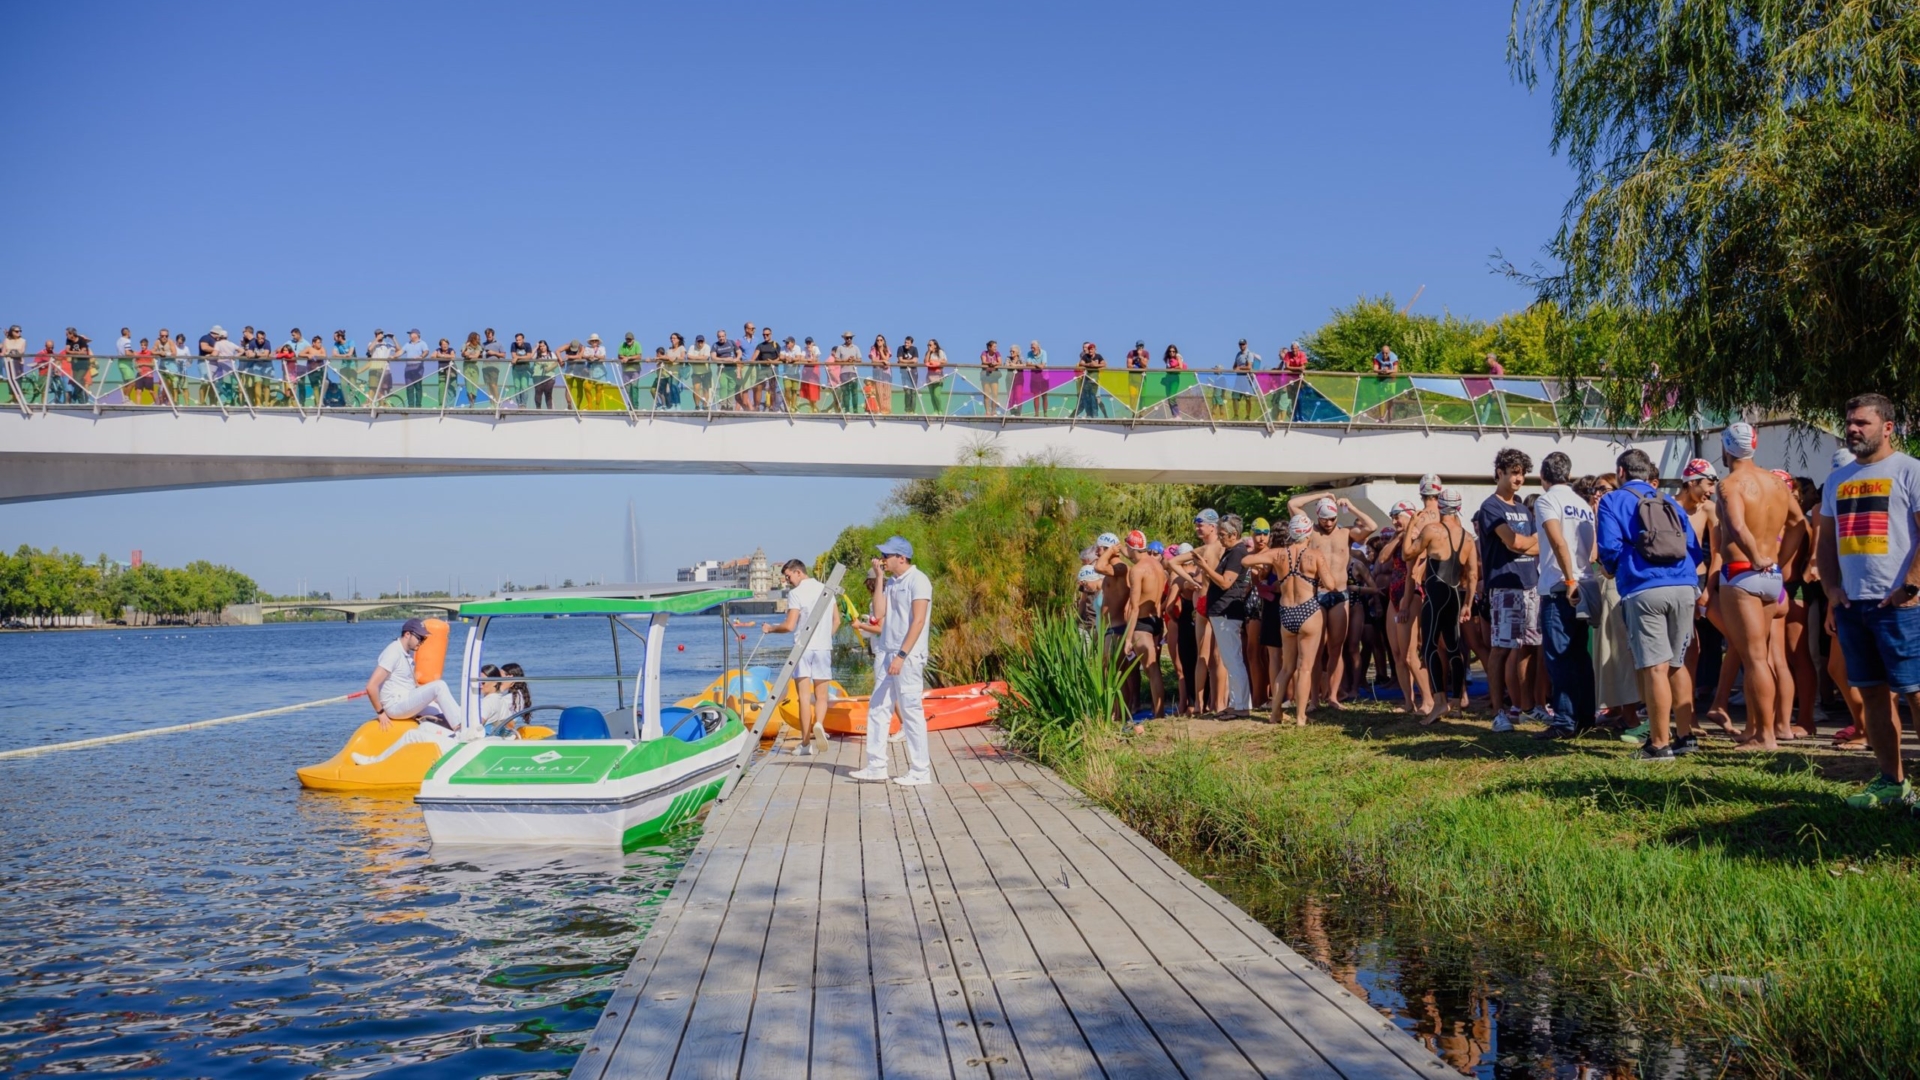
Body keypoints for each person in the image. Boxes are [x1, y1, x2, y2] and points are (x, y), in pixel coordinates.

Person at [1818, 394, 1920, 810]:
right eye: (1849, 422)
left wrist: (1910, 587)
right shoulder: (1837, 480)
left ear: (1888, 427)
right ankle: (1892, 782)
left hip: (1901, 606)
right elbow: (1826, 541)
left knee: (1916, 693)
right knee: (1873, 695)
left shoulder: (1909, 471)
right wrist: (1830, 588)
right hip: (1854, 606)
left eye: (1862, 422)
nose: (1853, 429)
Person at [1596, 449, 1705, 759]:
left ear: (1620, 473)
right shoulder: (1670, 501)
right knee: (1676, 663)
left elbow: (1608, 548)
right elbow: (1693, 550)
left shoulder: (1613, 501)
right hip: (1684, 586)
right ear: (1648, 474)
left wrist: (1614, 568)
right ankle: (1686, 736)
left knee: (1654, 667)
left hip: (1644, 588)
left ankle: (1659, 743)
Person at [1713, 423, 1804, 750]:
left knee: (1754, 659)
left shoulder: (1729, 484)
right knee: (1761, 657)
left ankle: (1766, 736)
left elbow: (1736, 525)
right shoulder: (1777, 484)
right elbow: (1798, 524)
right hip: (1771, 576)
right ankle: (1754, 729)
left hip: (1742, 573)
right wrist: (1779, 558)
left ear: (1726, 449)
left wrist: (1755, 556)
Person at [852, 537, 934, 786]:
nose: (883, 560)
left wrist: (901, 655)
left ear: (901, 557)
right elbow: (878, 614)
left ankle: (921, 770)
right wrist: (879, 579)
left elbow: (918, 621)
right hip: (887, 652)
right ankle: (876, 766)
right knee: (877, 708)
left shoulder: (918, 580)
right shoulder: (892, 582)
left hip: (906, 656)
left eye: (887, 556)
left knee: (910, 710)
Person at [1286, 493, 1378, 709]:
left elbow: (1372, 525)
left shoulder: (1346, 533)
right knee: (1316, 649)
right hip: (1316, 594)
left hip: (1340, 594)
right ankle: (1315, 699)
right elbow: (1292, 504)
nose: (1328, 523)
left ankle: (1334, 697)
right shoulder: (1311, 532)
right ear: (1317, 517)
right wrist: (1323, 495)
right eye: (1324, 519)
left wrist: (1352, 506)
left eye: (1332, 519)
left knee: (1336, 648)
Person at [737, 559, 838, 754]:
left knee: (804, 697)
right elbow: (837, 620)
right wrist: (825, 636)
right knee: (822, 696)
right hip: (824, 648)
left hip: (803, 649)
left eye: (789, 576)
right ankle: (819, 724)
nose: (787, 580)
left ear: (798, 572)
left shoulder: (796, 593)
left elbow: (790, 625)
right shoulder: (827, 590)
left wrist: (770, 628)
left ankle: (806, 744)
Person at [1531, 452, 1597, 738]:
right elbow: (1591, 548)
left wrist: (1569, 578)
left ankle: (1564, 722)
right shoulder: (1582, 504)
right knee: (1580, 655)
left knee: (1559, 657)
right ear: (1568, 475)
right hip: (1585, 582)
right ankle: (1584, 717)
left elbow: (1557, 541)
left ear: (1543, 477)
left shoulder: (1547, 500)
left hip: (1562, 586)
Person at [1477, 448, 1544, 731]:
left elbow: (1535, 546)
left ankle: (1527, 708)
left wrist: (1525, 540)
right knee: (1501, 649)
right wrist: (1531, 539)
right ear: (1499, 473)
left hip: (1530, 584)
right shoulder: (1491, 507)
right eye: (1514, 472)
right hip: (1504, 585)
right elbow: (1513, 543)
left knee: (1530, 645)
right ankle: (1498, 713)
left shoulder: (1521, 508)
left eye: (1522, 473)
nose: (1519, 478)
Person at [1243, 515, 1332, 725]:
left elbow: (1246, 560)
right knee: (1305, 668)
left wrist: (1265, 558)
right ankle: (1301, 717)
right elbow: (1332, 584)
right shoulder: (1314, 554)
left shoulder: (1279, 554)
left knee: (1286, 667)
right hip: (1308, 610)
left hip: (1286, 613)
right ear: (1308, 533)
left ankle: (1275, 714)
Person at [353, 618, 472, 765]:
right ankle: (463, 730)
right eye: (420, 638)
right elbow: (371, 686)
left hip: (406, 698)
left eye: (424, 639)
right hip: (395, 705)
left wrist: (428, 697)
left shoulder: (406, 653)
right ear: (408, 634)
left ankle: (455, 737)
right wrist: (381, 713)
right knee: (439, 686)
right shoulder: (393, 652)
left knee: (439, 709)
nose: (421, 642)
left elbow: (409, 683)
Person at [1407, 489, 1479, 724]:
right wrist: (1468, 603)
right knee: (1453, 648)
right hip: (1455, 595)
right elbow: (1473, 574)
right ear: (1458, 508)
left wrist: (1411, 524)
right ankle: (1456, 704)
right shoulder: (1468, 537)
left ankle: (1439, 703)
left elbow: (1408, 552)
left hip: (1435, 594)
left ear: (1440, 506)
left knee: (1428, 647)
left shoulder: (1432, 530)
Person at [1194, 513, 1254, 717]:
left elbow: (1226, 582)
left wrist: (1205, 568)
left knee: (1233, 659)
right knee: (1230, 660)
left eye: (1222, 535)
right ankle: (1236, 703)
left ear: (1233, 534)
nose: (1219, 538)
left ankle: (1242, 706)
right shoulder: (1232, 551)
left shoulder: (1237, 553)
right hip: (1222, 611)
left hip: (1228, 611)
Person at [1118, 530, 1169, 721]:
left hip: (1141, 623)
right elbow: (1132, 552)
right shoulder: (1157, 565)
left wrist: (1128, 638)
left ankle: (1159, 714)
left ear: (1132, 549)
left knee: (1151, 669)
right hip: (1157, 620)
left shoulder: (1137, 571)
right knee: (1152, 668)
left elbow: (1134, 607)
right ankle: (1159, 712)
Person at [1073, 342, 1107, 418]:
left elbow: (1104, 364)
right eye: (1088, 349)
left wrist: (1096, 365)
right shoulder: (1085, 356)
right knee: (1086, 399)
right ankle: (1088, 414)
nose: (1089, 350)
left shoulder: (1098, 356)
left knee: (1094, 398)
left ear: (1095, 349)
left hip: (1095, 380)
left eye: (1091, 349)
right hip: (1086, 380)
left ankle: (1096, 415)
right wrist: (1089, 365)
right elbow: (1081, 364)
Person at [867, 334, 892, 415]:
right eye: (877, 340)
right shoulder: (873, 349)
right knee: (879, 391)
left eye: (881, 340)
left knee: (887, 392)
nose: (879, 341)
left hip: (886, 372)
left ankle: (887, 410)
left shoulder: (887, 348)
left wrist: (881, 351)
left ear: (883, 341)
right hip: (877, 372)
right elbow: (873, 360)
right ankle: (881, 409)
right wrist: (882, 362)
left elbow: (886, 359)